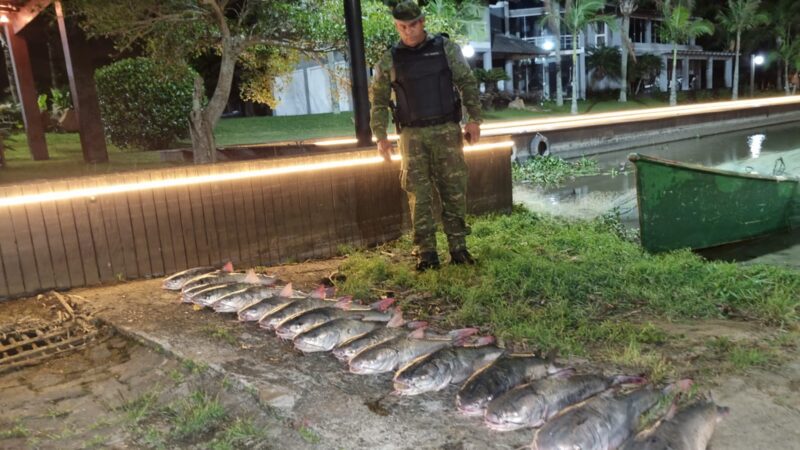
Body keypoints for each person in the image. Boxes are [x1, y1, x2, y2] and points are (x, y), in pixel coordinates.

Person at [370, 0, 482, 272]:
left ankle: (458, 248)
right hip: (412, 136)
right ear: (397, 26)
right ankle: (426, 254)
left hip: (446, 131)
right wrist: (380, 136)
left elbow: (467, 82)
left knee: (453, 191)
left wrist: (474, 120)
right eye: (402, 27)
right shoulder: (390, 58)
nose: (407, 32)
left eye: (412, 25)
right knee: (418, 196)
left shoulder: (445, 49)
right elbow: (379, 99)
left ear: (422, 22)